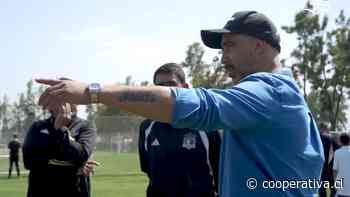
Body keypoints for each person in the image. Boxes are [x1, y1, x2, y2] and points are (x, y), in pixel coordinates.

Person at [36, 10, 324, 197]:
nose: (223, 57)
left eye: (229, 46)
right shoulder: (284, 95)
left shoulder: (271, 92)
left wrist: (91, 92)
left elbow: (199, 105)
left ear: (259, 46)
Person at [138, 63, 221, 197]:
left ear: (185, 87)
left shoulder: (206, 125)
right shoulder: (147, 127)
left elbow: (220, 172)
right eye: (160, 86)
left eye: (171, 84)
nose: (166, 91)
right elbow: (148, 168)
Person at [22, 103, 96, 197]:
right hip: (40, 190)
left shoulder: (85, 127)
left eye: (68, 98)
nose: (62, 104)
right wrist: (73, 163)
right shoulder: (37, 127)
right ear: (49, 106)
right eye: (56, 99)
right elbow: (28, 161)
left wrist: (60, 129)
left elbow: (81, 155)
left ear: (77, 104)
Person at [319, 123, 339, 197]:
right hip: (331, 168)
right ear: (325, 129)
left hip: (321, 168)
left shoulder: (316, 138)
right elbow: (337, 150)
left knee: (322, 190)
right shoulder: (330, 139)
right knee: (333, 189)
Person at [333, 133, 350, 197]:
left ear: (340, 141)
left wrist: (335, 182)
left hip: (340, 182)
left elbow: (335, 170)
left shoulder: (337, 152)